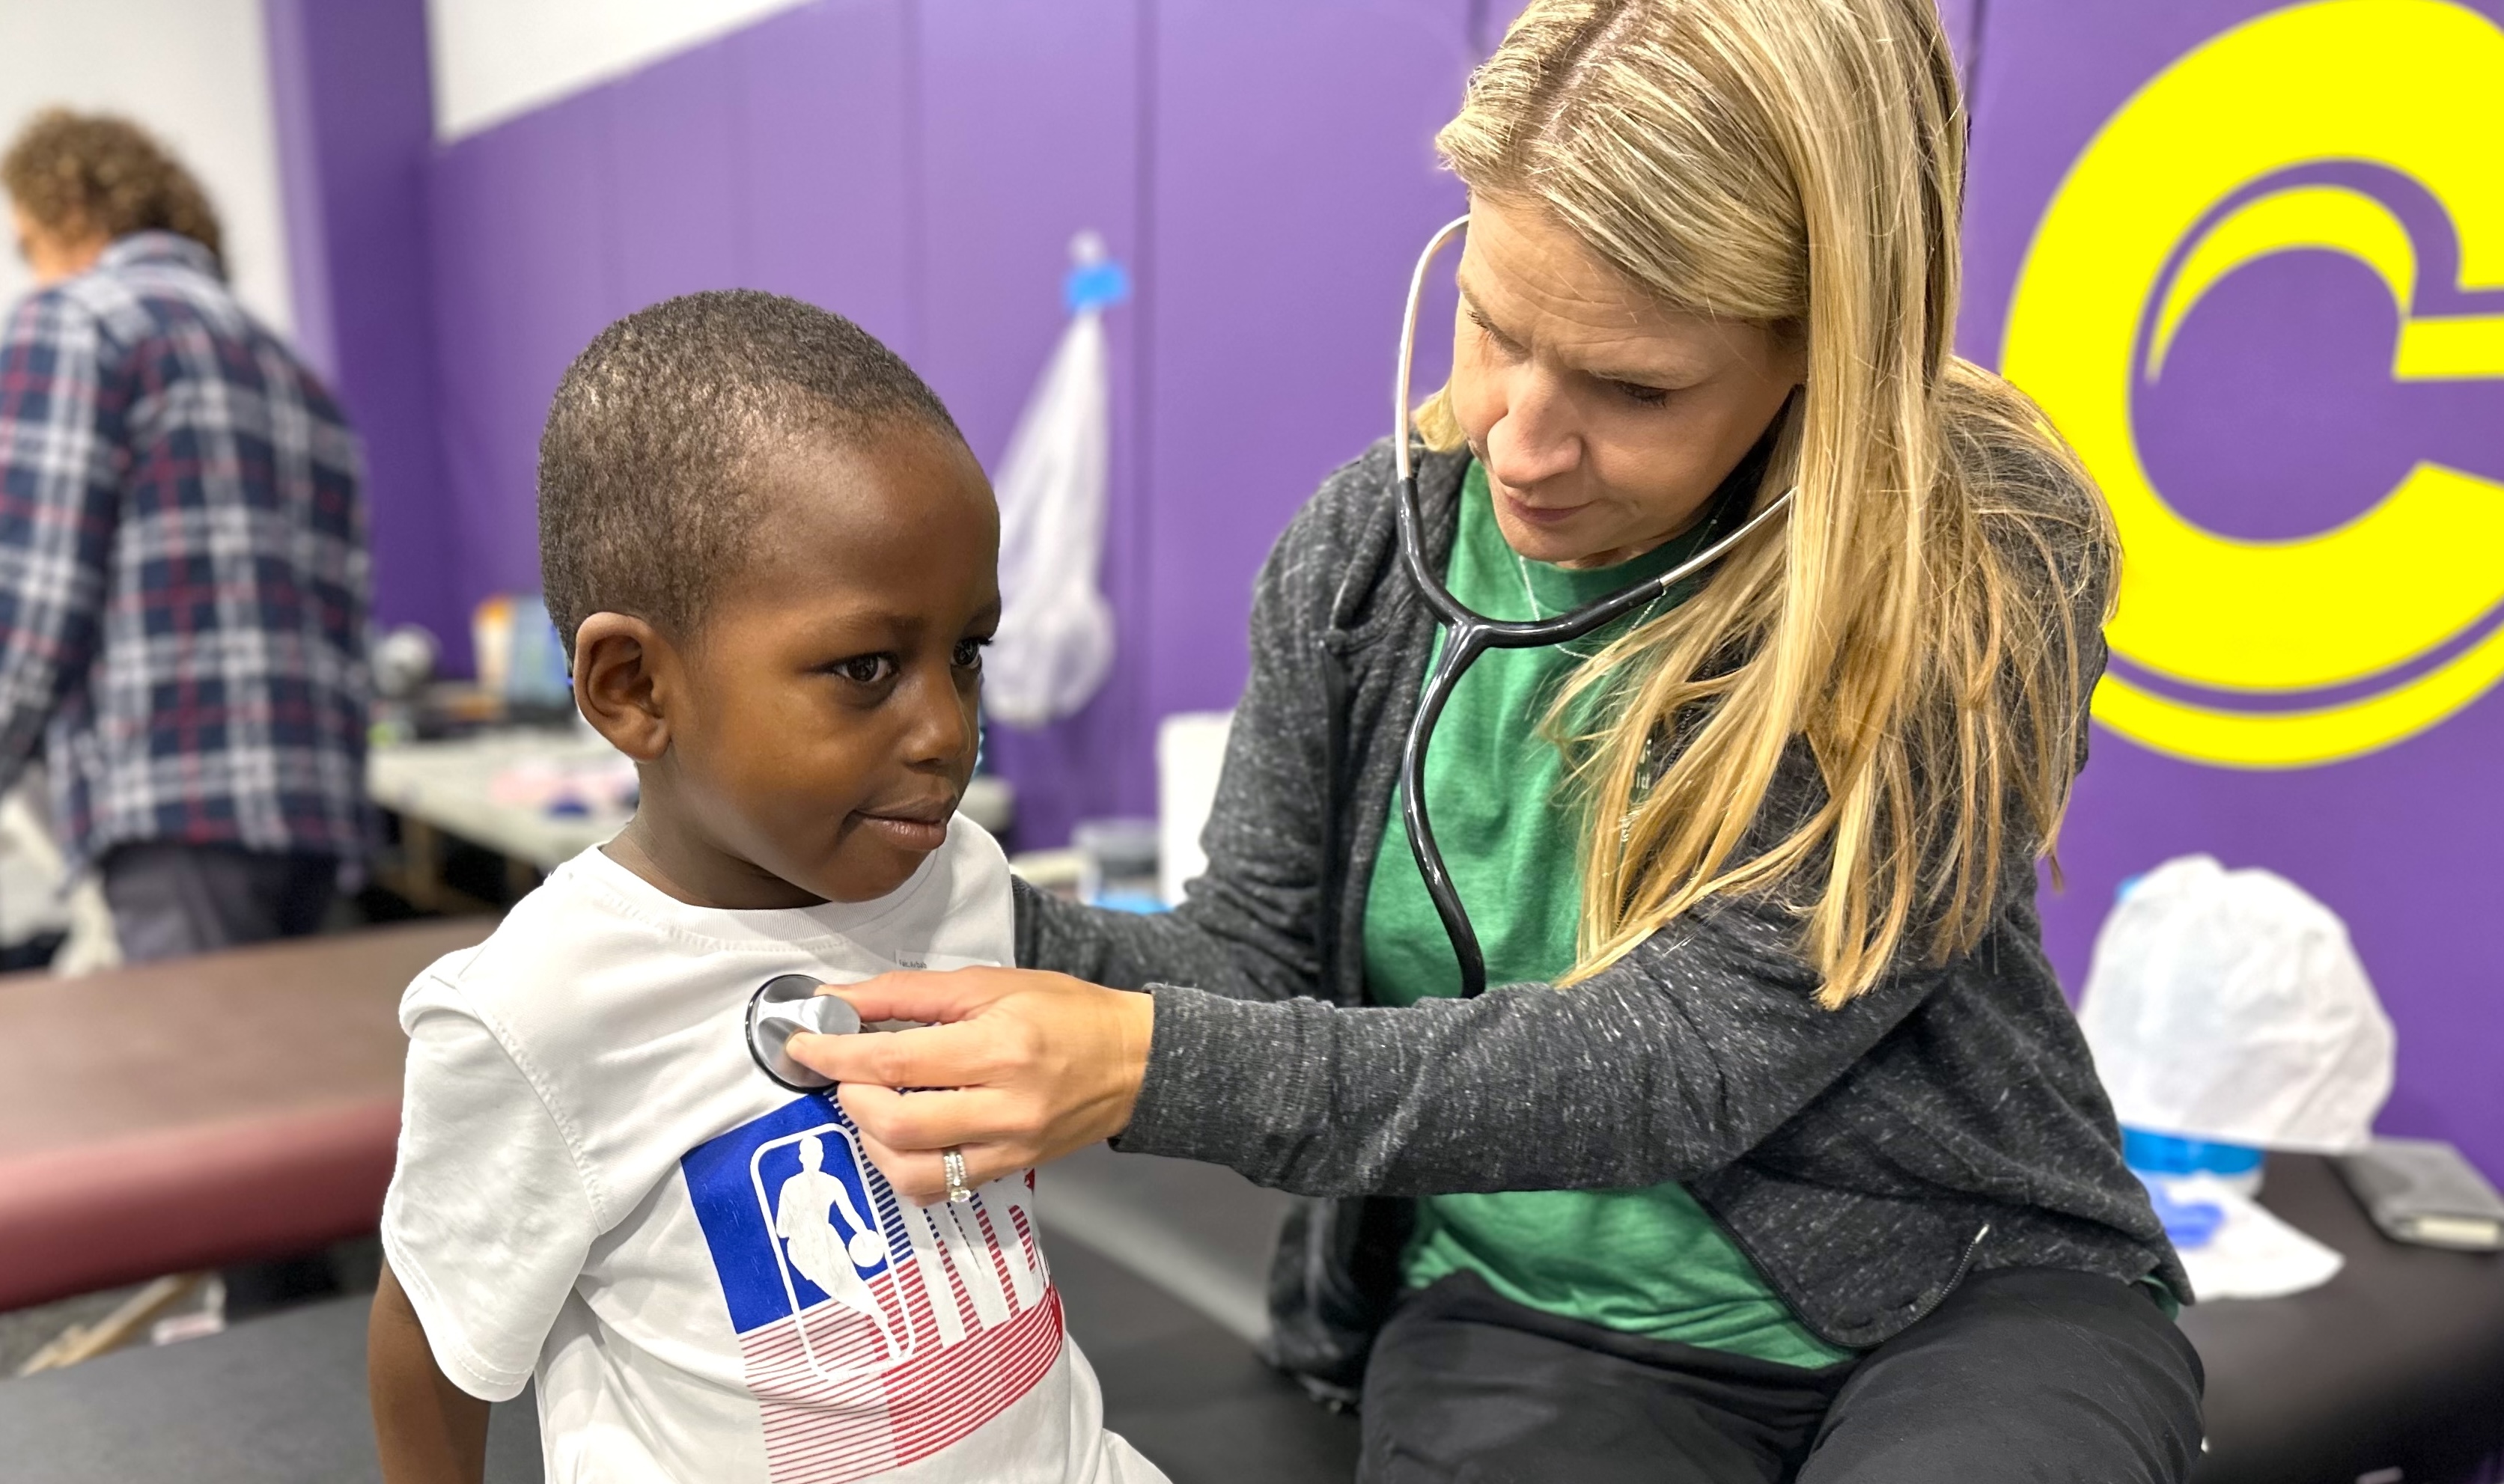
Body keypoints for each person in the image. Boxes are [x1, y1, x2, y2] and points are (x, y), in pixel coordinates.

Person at [791, 1, 2205, 1480]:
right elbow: (1255, 963)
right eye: (1492, 325)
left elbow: (1680, 1057)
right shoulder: (1364, 554)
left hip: (1955, 1291)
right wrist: (948, 916)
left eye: (1633, 387)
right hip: (1533, 1321)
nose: (1519, 441)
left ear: (1821, 350)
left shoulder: (1975, 558)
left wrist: (1151, 1065)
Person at [367, 291, 1163, 1484]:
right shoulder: (540, 1013)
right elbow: (430, 1346)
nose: (947, 729)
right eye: (864, 667)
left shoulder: (968, 883)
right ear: (634, 685)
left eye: (966, 653)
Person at [0, 109, 368, 962]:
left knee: (214, 1087)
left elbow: (32, 601)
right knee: (283, 1082)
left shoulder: (75, 321)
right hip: (314, 813)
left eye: (26, 243)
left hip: (178, 808)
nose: (30, 265)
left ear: (71, 209)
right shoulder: (289, 366)